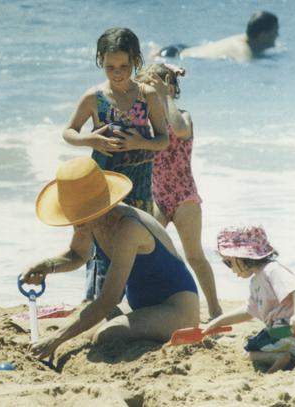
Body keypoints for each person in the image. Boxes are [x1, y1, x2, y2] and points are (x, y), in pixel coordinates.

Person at [20, 156, 199, 362]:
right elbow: (77, 255)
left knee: (108, 334)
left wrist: (54, 339)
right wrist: (46, 266)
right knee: (83, 333)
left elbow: (109, 299)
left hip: (176, 308)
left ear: (98, 207)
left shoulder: (128, 228)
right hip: (139, 304)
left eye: (80, 214)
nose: (75, 222)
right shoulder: (90, 220)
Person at [63, 27, 169, 299]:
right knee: (103, 240)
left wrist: (139, 143)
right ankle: (98, 300)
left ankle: (139, 300)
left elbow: (163, 139)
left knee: (138, 241)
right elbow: (69, 132)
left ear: (136, 61)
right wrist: (91, 140)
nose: (118, 72)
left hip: (139, 183)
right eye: (110, 67)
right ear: (100, 61)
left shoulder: (148, 96)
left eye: (124, 65)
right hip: (103, 184)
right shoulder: (94, 97)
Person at [136, 63, 223, 320]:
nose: (150, 92)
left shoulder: (183, 116)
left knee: (195, 256)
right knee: (145, 252)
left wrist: (165, 97)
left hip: (184, 195)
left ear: (172, 88)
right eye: (146, 89)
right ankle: (152, 303)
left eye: (157, 87)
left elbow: (181, 130)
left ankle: (215, 308)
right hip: (156, 196)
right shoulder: (146, 122)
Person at [203, 226, 295, 373]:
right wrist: (218, 322)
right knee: (268, 339)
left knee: (249, 348)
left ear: (242, 257)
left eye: (228, 263)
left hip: (291, 329)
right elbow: (248, 311)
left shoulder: (272, 270)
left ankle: (279, 358)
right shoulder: (257, 280)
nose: (230, 269)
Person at [153, 11, 279, 63]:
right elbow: (248, 68)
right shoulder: (243, 49)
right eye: (275, 32)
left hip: (184, 49)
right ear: (262, 35)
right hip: (173, 54)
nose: (277, 35)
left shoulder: (246, 39)